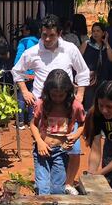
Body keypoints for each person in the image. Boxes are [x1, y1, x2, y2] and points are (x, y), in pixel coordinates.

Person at [12, 14, 90, 195]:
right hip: (44, 108)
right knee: (44, 147)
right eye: (44, 34)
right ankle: (44, 186)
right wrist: (25, 91)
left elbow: (83, 72)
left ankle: (66, 184)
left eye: (51, 35)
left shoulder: (70, 49)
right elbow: (17, 71)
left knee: (73, 149)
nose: (47, 39)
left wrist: (79, 96)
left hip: (68, 108)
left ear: (59, 33)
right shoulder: (33, 52)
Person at [29, 69, 85, 195]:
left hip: (61, 151)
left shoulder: (75, 106)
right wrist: (39, 142)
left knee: (57, 190)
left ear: (68, 92)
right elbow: (33, 124)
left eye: (61, 95)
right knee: (43, 188)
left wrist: (75, 136)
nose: (57, 99)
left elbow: (82, 124)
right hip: (42, 150)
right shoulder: (41, 104)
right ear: (48, 92)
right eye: (54, 95)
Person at [81, 22, 112, 111]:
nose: (95, 33)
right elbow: (77, 59)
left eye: (98, 31)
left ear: (103, 33)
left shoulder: (105, 46)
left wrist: (107, 43)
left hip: (102, 79)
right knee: (89, 103)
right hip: (90, 79)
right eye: (94, 31)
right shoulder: (87, 44)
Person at [14, 18, 40, 128]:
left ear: (28, 30)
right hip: (35, 74)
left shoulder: (23, 42)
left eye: (24, 29)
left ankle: (20, 121)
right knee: (32, 96)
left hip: (23, 74)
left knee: (21, 97)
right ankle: (31, 121)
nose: (22, 31)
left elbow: (18, 59)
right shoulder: (39, 42)